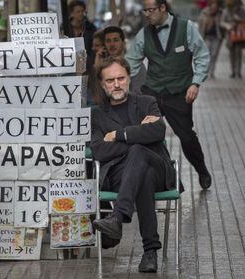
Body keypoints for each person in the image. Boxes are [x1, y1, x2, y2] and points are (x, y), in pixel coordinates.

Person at [91, 56, 176, 273]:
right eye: (110, 80)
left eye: (121, 78)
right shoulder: (98, 115)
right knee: (141, 167)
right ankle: (150, 252)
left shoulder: (148, 102)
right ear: (102, 84)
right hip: (120, 175)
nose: (116, 84)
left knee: (141, 158)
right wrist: (140, 135)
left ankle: (118, 217)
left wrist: (119, 135)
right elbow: (99, 150)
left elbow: (158, 131)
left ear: (129, 79)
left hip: (159, 170)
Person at [126, 0, 212, 189]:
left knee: (187, 136)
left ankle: (202, 169)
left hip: (179, 92)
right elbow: (130, 63)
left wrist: (195, 83)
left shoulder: (186, 27)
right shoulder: (144, 34)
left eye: (150, 10)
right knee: (144, 133)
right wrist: (118, 81)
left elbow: (202, 55)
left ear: (162, 8)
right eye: (144, 11)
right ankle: (156, 178)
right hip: (153, 91)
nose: (147, 14)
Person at [93, 26, 146, 96]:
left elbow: (138, 94)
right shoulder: (102, 66)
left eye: (116, 40)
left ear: (123, 43)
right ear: (104, 45)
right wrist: (97, 69)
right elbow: (97, 96)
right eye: (108, 41)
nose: (112, 44)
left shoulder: (135, 64)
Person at [199, 0, 224, 79]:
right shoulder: (204, 12)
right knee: (207, 55)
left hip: (217, 36)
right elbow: (200, 23)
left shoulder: (220, 13)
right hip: (206, 36)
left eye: (215, 7)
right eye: (212, 7)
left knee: (214, 54)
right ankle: (206, 72)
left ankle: (212, 72)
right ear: (210, 6)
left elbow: (222, 23)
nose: (214, 9)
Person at [221, 0, 245, 78]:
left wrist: (239, 19)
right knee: (232, 54)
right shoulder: (226, 11)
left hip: (239, 35)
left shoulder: (242, 11)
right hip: (230, 35)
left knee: (238, 53)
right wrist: (227, 25)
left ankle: (238, 72)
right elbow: (221, 22)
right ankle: (233, 72)